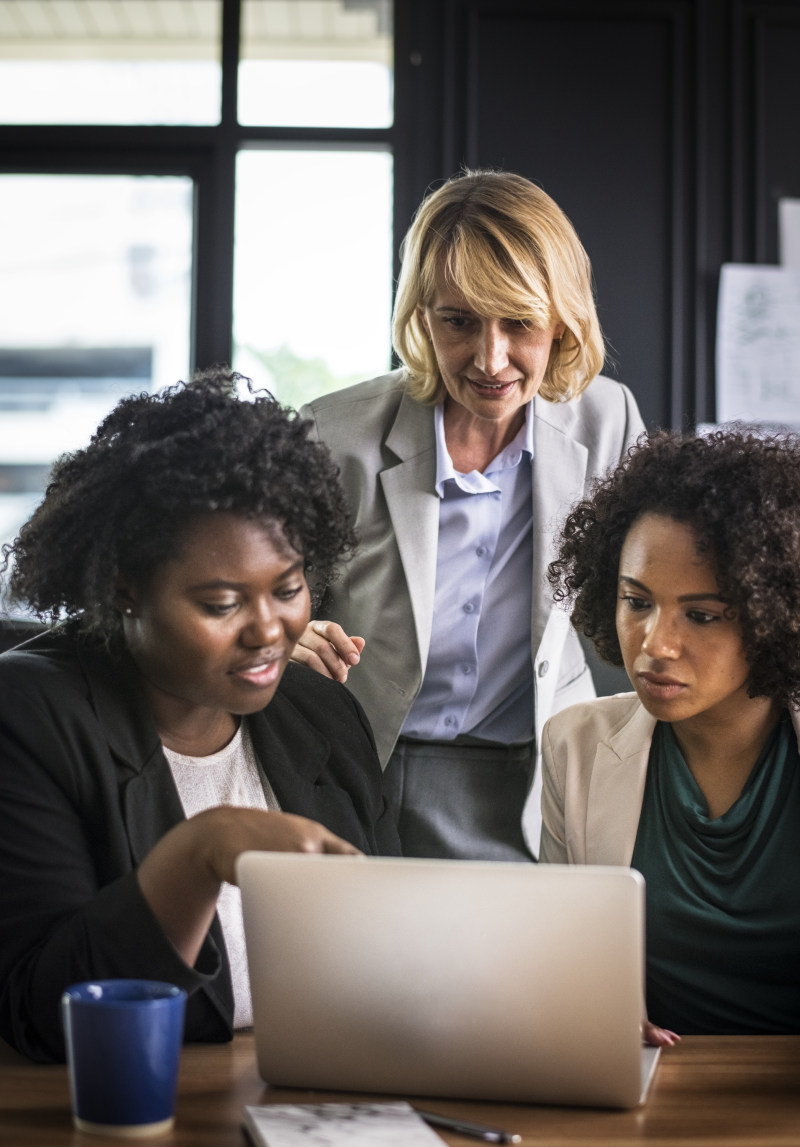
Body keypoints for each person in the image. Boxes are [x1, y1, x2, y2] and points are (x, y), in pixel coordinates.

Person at [0, 369, 400, 1063]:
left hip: (317, 1106)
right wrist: (201, 851)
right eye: (221, 604)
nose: (268, 631)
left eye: (289, 589)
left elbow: (396, 950)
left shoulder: (323, 714)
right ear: (125, 591)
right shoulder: (32, 717)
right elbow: (44, 1015)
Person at [293, 168, 645, 861]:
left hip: (531, 769)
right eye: (459, 321)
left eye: (519, 323)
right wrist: (289, 638)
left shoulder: (608, 421)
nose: (490, 359)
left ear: (563, 322)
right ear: (422, 315)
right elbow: (269, 609)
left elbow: (642, 595)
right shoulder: (332, 438)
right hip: (358, 764)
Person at [542, 428, 800, 1043]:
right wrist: (586, 1007)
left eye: (702, 615)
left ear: (774, 616)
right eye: (637, 602)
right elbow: (563, 966)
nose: (655, 644)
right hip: (642, 1091)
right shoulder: (573, 744)